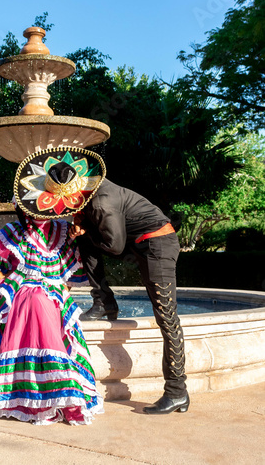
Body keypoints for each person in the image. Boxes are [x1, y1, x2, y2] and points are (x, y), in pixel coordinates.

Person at [0, 146, 106, 425]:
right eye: (37, 208)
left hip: (53, 290)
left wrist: (63, 286)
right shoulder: (14, 232)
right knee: (34, 301)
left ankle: (56, 393)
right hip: (22, 289)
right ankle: (32, 393)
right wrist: (5, 280)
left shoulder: (62, 230)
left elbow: (70, 266)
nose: (42, 214)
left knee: (45, 303)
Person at [69, 177, 189, 415]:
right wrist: (84, 228)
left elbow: (114, 245)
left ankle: (177, 392)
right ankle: (104, 302)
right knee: (86, 240)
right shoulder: (92, 195)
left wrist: (86, 230)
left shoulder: (101, 201)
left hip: (158, 244)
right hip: (141, 244)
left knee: (167, 317)